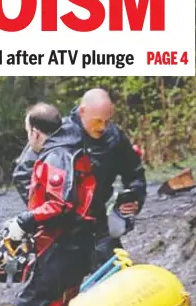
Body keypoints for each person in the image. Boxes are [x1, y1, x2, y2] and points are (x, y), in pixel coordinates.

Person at [4, 102, 98, 306]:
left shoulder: (57, 155)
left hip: (65, 247)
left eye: (27, 131)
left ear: (35, 131)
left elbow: (63, 204)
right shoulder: (70, 146)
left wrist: (26, 220)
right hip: (69, 246)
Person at [12, 89, 147, 271]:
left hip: (98, 222)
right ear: (83, 111)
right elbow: (23, 174)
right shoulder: (58, 134)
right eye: (98, 121)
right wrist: (43, 214)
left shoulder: (114, 137)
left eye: (107, 121)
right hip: (63, 227)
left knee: (116, 271)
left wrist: (133, 199)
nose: (102, 127)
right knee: (59, 282)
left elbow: (135, 173)